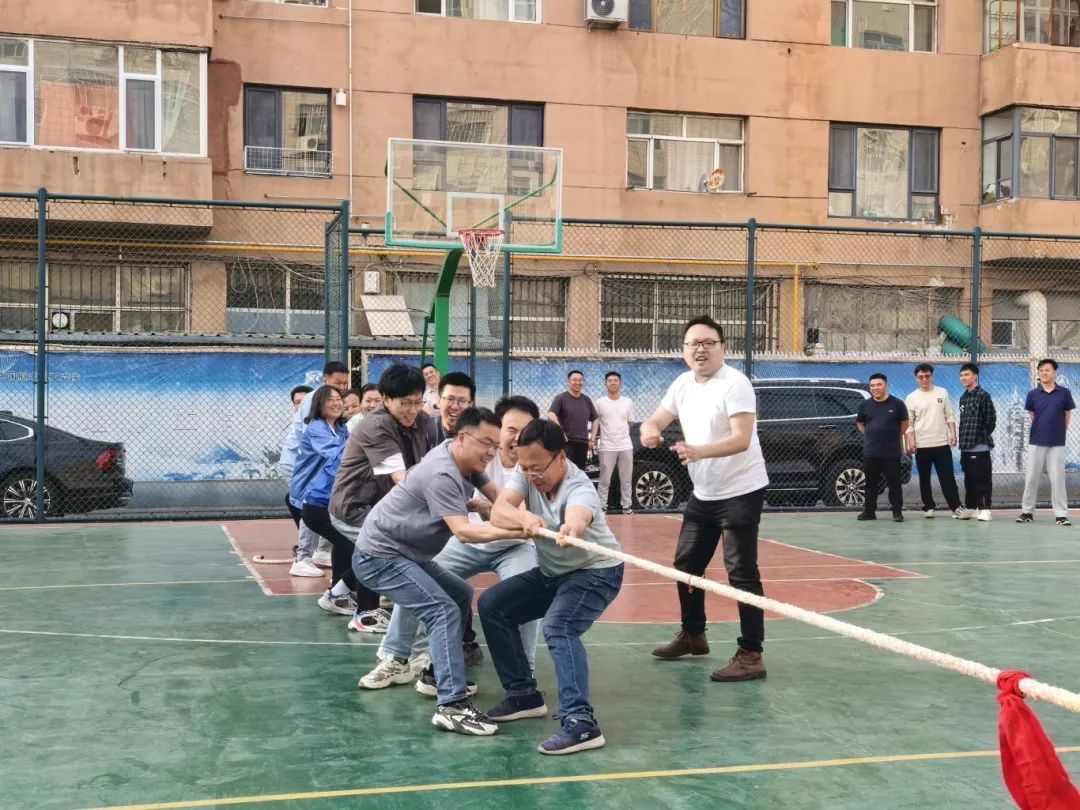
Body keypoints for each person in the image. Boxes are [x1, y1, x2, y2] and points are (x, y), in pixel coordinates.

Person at [352, 407, 530, 737]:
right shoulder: (443, 473)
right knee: (442, 610)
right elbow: (464, 532)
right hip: (379, 556)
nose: (491, 452)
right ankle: (452, 705)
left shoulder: (464, 460)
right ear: (462, 438)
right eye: (486, 444)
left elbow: (499, 500)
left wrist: (525, 518)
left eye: (495, 445)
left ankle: (436, 674)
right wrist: (518, 530)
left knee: (460, 593)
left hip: (407, 553)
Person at [481, 418, 624, 755]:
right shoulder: (528, 470)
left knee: (559, 627)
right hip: (553, 573)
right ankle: (523, 695)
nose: (532, 475)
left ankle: (581, 723)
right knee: (493, 606)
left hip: (595, 572)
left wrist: (571, 528)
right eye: (526, 469)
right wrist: (525, 518)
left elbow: (578, 515)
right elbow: (499, 511)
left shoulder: (580, 488)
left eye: (538, 469)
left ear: (561, 457)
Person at [641, 315, 770, 683]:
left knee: (741, 571)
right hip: (705, 493)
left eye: (708, 342)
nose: (700, 349)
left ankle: (752, 654)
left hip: (741, 490)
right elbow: (655, 420)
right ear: (684, 351)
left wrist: (699, 451)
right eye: (693, 343)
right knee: (685, 564)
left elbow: (741, 438)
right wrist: (649, 431)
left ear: (722, 348)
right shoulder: (682, 384)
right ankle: (693, 634)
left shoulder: (736, 384)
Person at [327, 364, 437, 631]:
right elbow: (401, 478)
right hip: (354, 507)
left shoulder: (421, 420)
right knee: (381, 546)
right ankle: (365, 614)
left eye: (418, 402)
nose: (413, 409)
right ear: (386, 399)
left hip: (382, 505)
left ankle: (337, 594)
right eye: (405, 403)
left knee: (385, 544)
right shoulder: (376, 425)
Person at [281, 363, 349, 578]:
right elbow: (334, 451)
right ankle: (302, 558)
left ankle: (322, 552)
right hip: (300, 468)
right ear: (325, 380)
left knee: (325, 508)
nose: (341, 390)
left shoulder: (340, 426)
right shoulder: (317, 423)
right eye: (337, 383)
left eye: (344, 384)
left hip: (320, 471)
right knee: (310, 508)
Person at [1018, 359, 1074, 527]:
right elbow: (1032, 415)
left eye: (1047, 370)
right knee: (1031, 477)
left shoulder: (1064, 393)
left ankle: (1061, 515)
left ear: (1054, 372)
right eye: (1041, 370)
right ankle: (1027, 512)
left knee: (1058, 479)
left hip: (1057, 442)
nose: (1044, 373)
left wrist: (1058, 430)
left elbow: (1067, 414)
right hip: (1036, 441)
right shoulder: (1033, 394)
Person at [904, 364, 961, 519]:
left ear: (932, 376)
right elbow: (909, 423)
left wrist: (953, 434)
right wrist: (911, 441)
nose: (924, 379)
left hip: (942, 444)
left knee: (948, 477)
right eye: (921, 377)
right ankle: (928, 507)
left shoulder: (942, 392)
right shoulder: (911, 397)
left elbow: (949, 415)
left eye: (927, 376)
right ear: (916, 378)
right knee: (924, 478)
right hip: (921, 445)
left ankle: (956, 507)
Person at [855, 373, 909, 523]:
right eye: (872, 385)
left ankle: (897, 512)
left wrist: (890, 435)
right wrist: (872, 435)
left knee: (894, 484)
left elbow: (905, 424)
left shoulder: (897, 404)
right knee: (870, 484)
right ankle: (869, 512)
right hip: (871, 452)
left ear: (885, 386)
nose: (875, 388)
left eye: (878, 385)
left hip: (891, 452)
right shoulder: (864, 405)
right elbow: (860, 424)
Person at [956, 362, 996, 522]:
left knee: (982, 480)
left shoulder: (983, 395)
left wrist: (981, 435)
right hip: (965, 447)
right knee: (969, 480)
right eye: (961, 375)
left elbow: (991, 420)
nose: (963, 378)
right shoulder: (963, 398)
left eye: (966, 375)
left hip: (980, 446)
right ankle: (972, 508)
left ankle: (985, 509)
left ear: (975, 377)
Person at [591, 370, 635, 514]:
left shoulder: (628, 402)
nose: (613, 383)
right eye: (610, 381)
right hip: (607, 446)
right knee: (604, 480)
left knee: (626, 480)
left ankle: (627, 506)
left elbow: (630, 422)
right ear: (605, 384)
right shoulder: (600, 402)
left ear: (620, 383)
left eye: (616, 380)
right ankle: (602, 507)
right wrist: (592, 439)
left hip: (625, 446)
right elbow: (596, 422)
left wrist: (621, 434)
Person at [548, 370, 597, 470]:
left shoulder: (586, 400)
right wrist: (561, 433)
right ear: (568, 381)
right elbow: (551, 415)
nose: (578, 382)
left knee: (579, 472)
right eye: (574, 380)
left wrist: (592, 439)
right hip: (566, 443)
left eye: (580, 380)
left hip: (583, 443)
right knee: (565, 472)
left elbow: (596, 418)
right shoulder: (561, 398)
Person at [426, 371, 475, 446]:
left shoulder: (478, 435)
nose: (455, 407)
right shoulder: (424, 428)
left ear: (470, 405)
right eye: (450, 399)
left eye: (462, 401)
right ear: (439, 400)